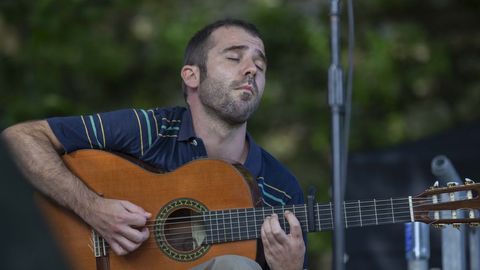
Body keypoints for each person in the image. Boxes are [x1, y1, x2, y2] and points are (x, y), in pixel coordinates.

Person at [1, 19, 307, 270]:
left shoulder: (281, 189)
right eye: (234, 57)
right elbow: (19, 139)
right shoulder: (149, 130)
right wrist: (93, 208)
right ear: (192, 75)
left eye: (260, 64)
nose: (251, 69)